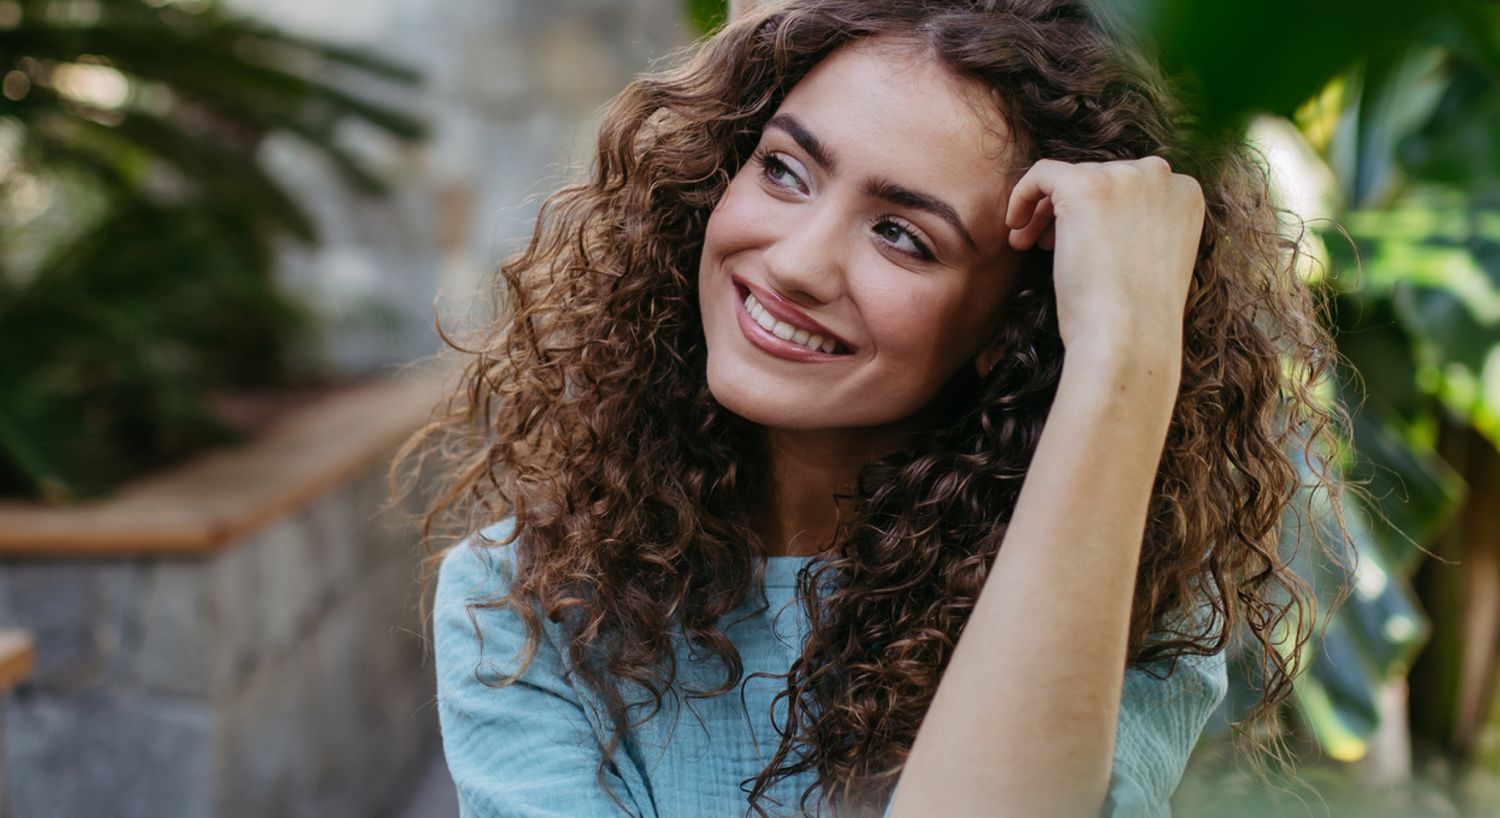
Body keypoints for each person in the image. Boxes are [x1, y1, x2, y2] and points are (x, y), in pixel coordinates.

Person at [407, 1, 1351, 816]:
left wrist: (1123, 356)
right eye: (785, 170)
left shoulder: (1114, 605)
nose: (795, 263)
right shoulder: (523, 603)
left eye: (902, 235)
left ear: (1016, 323)